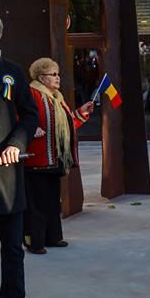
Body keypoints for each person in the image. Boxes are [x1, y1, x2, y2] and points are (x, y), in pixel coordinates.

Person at [0, 9, 39, 298]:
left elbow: (30, 114)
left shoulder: (13, 72)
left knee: (13, 246)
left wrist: (17, 143)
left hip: (6, 172)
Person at [24, 58, 93, 254]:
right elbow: (18, 116)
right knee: (36, 203)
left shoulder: (58, 98)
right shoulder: (31, 94)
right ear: (41, 77)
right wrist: (29, 129)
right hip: (35, 158)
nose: (58, 78)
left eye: (58, 74)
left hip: (55, 159)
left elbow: (68, 125)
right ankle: (35, 242)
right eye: (53, 74)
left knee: (53, 201)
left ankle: (53, 238)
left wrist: (81, 113)